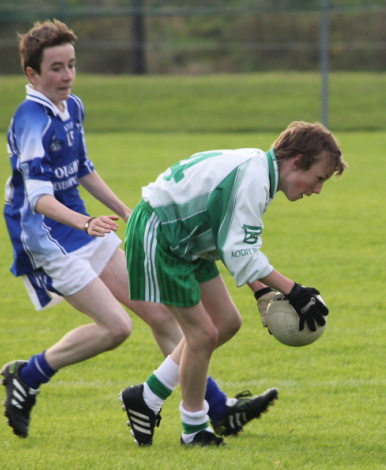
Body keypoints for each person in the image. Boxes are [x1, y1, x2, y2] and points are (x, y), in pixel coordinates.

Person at [0, 19, 274, 440]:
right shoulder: (30, 119)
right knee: (116, 328)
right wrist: (86, 221)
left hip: (81, 223)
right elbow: (37, 198)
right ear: (32, 75)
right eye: (56, 68)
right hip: (45, 234)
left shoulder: (72, 106)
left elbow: (84, 170)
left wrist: (129, 213)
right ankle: (28, 375)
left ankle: (215, 409)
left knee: (162, 315)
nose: (67, 76)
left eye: (71, 65)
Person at [120, 121, 347, 447]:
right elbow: (240, 250)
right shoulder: (254, 179)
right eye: (319, 178)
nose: (317, 189)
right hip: (163, 235)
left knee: (226, 322)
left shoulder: (258, 171)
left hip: (186, 238)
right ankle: (194, 429)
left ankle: (147, 397)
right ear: (297, 161)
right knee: (202, 334)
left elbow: (230, 240)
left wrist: (263, 290)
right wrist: (293, 291)